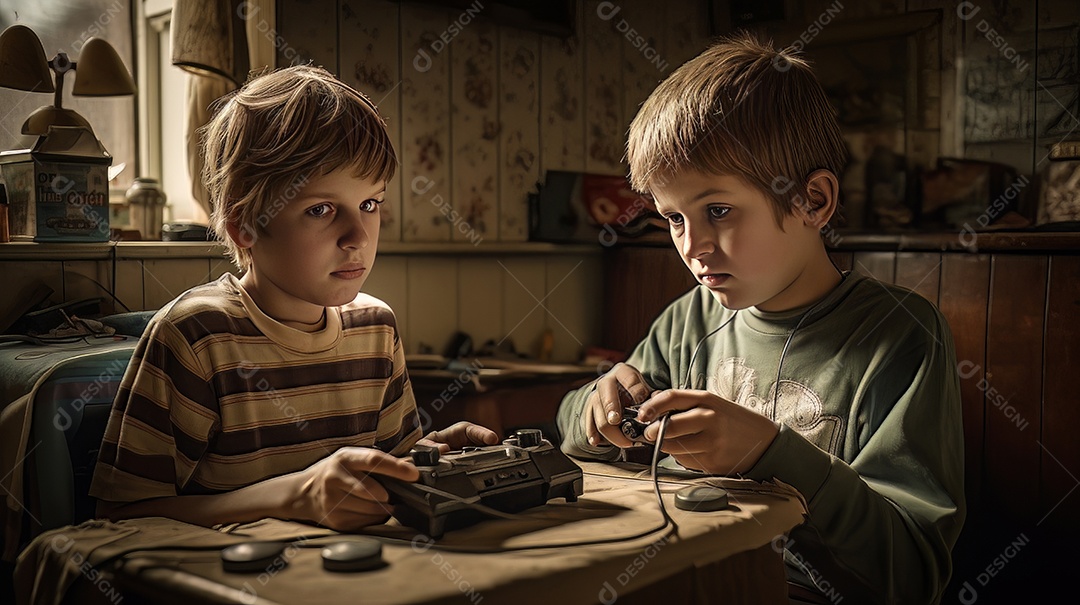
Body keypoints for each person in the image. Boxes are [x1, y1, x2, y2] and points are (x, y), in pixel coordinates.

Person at [557, 34, 964, 604]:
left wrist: (772, 453)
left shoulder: (899, 335)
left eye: (717, 210)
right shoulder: (687, 321)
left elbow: (914, 574)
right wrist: (595, 405)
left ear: (812, 202)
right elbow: (572, 431)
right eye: (673, 219)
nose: (692, 246)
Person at [90, 65, 497, 532]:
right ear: (245, 225)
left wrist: (432, 459)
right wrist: (289, 496)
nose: (357, 237)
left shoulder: (375, 328)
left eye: (370, 204)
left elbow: (382, 476)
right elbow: (119, 517)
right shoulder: (197, 338)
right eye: (321, 209)